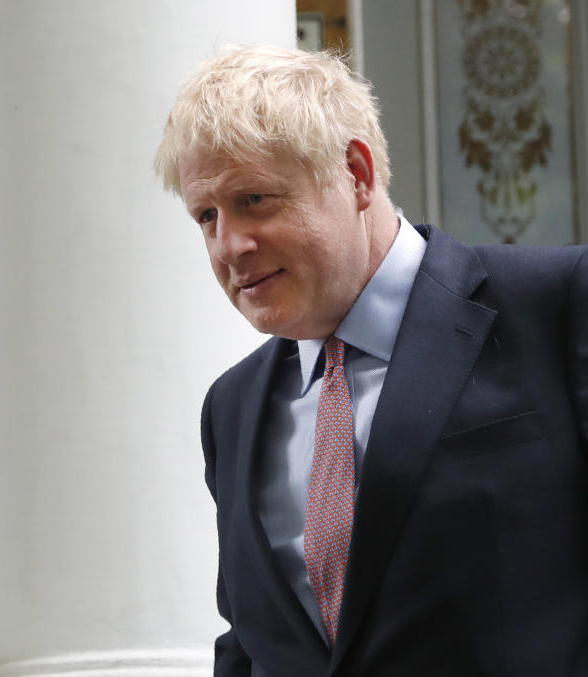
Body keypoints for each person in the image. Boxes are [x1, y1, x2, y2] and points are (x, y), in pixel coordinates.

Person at [154, 45, 588, 676]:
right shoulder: (231, 407)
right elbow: (250, 645)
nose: (231, 245)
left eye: (255, 200)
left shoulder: (556, 304)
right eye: (207, 216)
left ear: (355, 173)